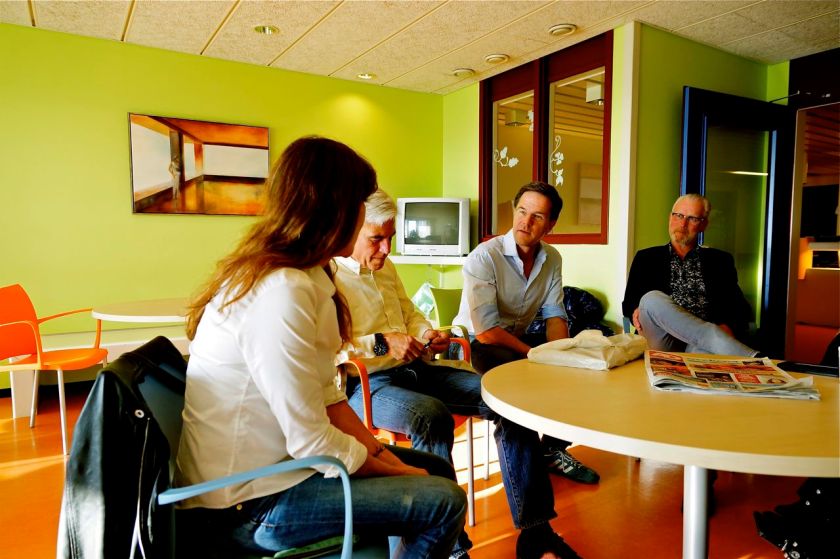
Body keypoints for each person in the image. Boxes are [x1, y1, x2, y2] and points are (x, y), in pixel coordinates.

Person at [174, 137, 467, 558]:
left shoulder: (307, 275)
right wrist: (392, 469)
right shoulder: (281, 289)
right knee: (442, 501)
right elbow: (310, 440)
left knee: (433, 470)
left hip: (279, 471)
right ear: (335, 208)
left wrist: (383, 454)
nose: (368, 215)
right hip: (243, 503)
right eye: (362, 202)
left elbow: (329, 397)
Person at [334, 188, 583, 559]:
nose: (386, 249)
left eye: (390, 239)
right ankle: (450, 542)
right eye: (377, 239)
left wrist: (426, 335)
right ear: (352, 231)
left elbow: (412, 315)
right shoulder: (330, 277)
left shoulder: (387, 270)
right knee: (430, 415)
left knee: (509, 402)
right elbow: (328, 350)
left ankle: (535, 529)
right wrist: (383, 343)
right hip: (367, 385)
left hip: (418, 368)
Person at [453, 181, 600, 486]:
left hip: (515, 342)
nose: (526, 222)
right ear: (514, 209)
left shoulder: (552, 259)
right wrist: (533, 354)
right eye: (522, 211)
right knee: (521, 374)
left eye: (537, 216)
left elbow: (555, 316)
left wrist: (564, 356)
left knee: (581, 372)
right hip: (472, 344)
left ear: (551, 224)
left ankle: (551, 451)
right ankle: (528, 463)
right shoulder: (484, 257)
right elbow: (486, 331)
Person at [622, 193, 758, 357]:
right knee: (651, 299)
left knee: (700, 356)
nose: (682, 224)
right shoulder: (646, 258)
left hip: (698, 345)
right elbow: (629, 302)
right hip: (662, 339)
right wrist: (635, 309)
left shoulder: (720, 261)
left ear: (703, 225)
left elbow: (738, 306)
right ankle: (749, 357)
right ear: (670, 218)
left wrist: (727, 325)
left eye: (692, 218)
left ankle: (711, 342)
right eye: (678, 215)